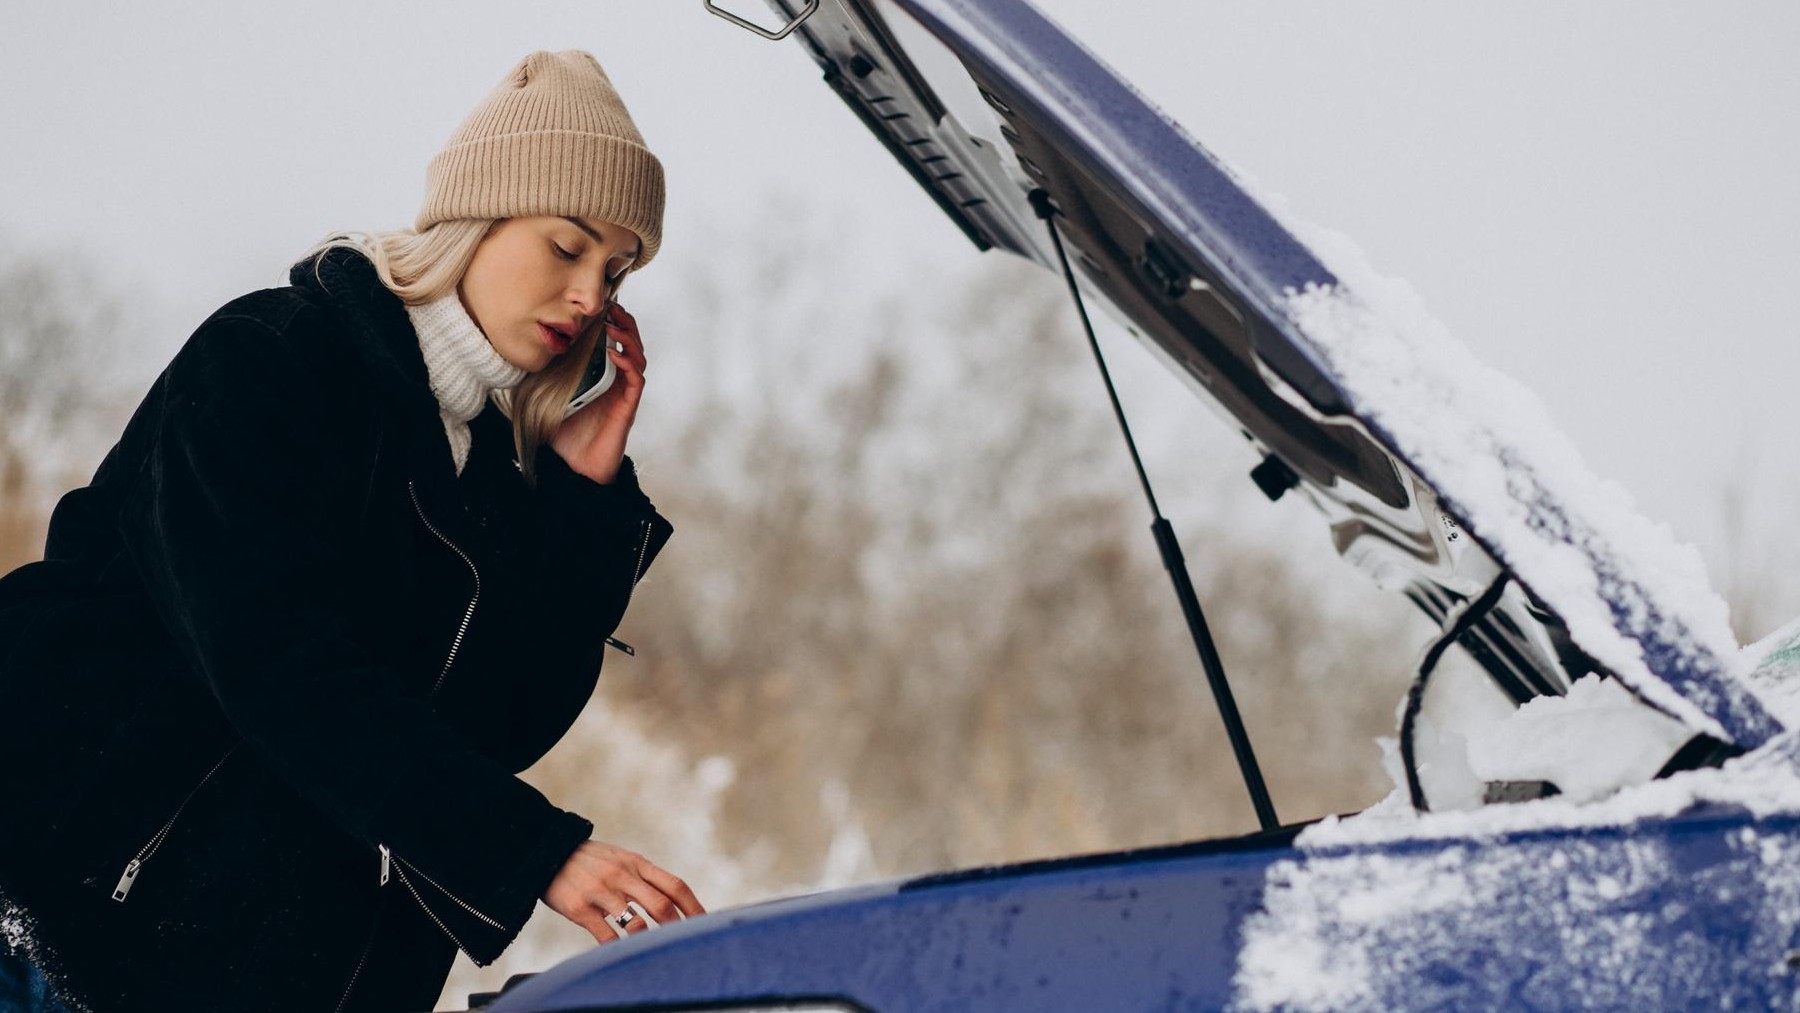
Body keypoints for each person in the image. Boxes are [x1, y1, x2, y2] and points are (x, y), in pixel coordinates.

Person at [0, 50, 704, 1012]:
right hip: (57, 927)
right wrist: (537, 852)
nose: (591, 295)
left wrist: (580, 502)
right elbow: (276, 663)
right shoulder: (273, 361)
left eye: (616, 270)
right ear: (479, 218)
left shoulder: (488, 472)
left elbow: (496, 726)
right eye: (567, 245)